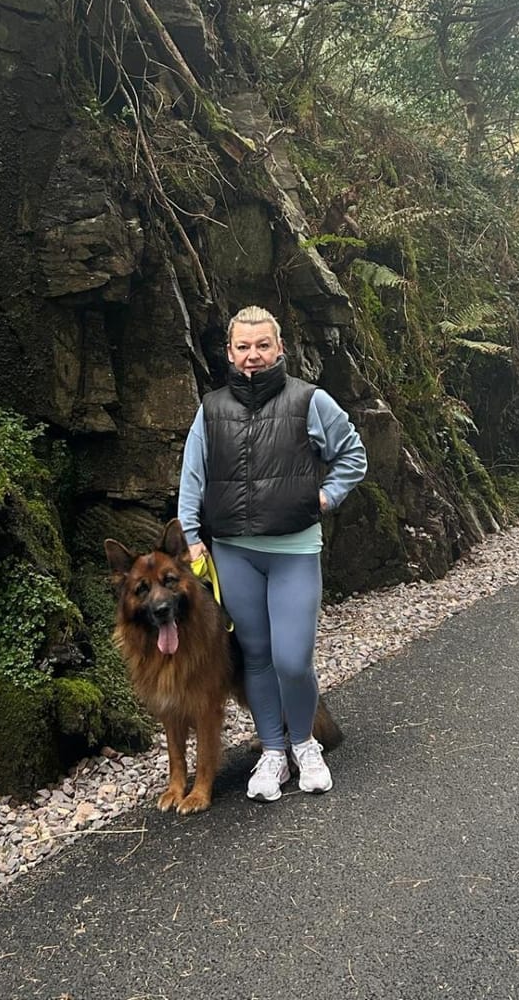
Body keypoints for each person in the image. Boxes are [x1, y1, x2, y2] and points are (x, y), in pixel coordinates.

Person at [178, 305, 367, 801]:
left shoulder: (311, 401)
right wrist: (193, 535)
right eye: (243, 346)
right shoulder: (211, 408)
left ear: (279, 348)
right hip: (233, 552)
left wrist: (325, 497)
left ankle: (305, 745)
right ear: (230, 352)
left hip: (294, 549)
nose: (253, 356)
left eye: (263, 345)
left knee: (292, 658)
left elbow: (353, 454)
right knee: (257, 656)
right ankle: (272, 752)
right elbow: (192, 478)